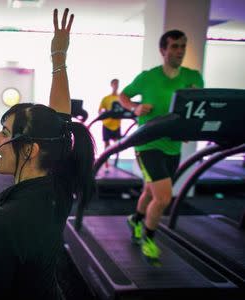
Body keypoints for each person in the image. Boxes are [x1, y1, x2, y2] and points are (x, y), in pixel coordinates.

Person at [0, 9, 95, 300]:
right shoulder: (60, 185)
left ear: (30, 149)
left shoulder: (2, 222)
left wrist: (59, 59)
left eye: (5, 131)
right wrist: (58, 59)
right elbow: (61, 121)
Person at [119, 30, 204, 266]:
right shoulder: (148, 77)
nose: (180, 51)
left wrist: (191, 128)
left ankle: (135, 219)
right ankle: (149, 239)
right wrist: (134, 108)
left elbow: (197, 108)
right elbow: (124, 95)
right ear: (163, 50)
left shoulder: (193, 77)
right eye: (175, 46)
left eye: (183, 46)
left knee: (150, 192)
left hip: (173, 145)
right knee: (164, 196)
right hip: (147, 143)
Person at [98, 78, 121, 169]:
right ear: (111, 85)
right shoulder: (106, 98)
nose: (116, 86)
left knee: (118, 145)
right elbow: (100, 111)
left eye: (117, 84)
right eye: (114, 84)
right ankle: (106, 163)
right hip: (107, 124)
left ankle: (116, 164)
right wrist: (105, 113)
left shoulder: (121, 98)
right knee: (107, 145)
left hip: (117, 125)